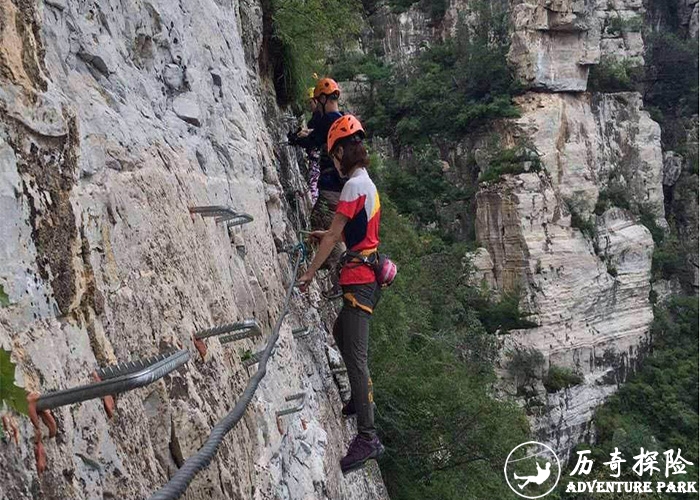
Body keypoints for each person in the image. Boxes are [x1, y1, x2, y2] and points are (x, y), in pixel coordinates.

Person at [298, 115, 385, 474]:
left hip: (361, 278)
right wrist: (328, 235)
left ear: (339, 154)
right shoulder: (367, 184)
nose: (333, 160)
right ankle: (358, 401)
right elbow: (345, 232)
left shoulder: (351, 187)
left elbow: (336, 236)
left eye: (334, 154)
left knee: (356, 355)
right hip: (367, 272)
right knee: (341, 334)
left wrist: (308, 273)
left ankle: (367, 437)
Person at [290, 78, 346, 292]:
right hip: (340, 187)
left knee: (329, 230)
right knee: (318, 223)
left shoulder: (329, 120)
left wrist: (295, 139)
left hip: (331, 186)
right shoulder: (341, 120)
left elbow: (312, 140)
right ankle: (317, 262)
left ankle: (340, 277)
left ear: (322, 99)